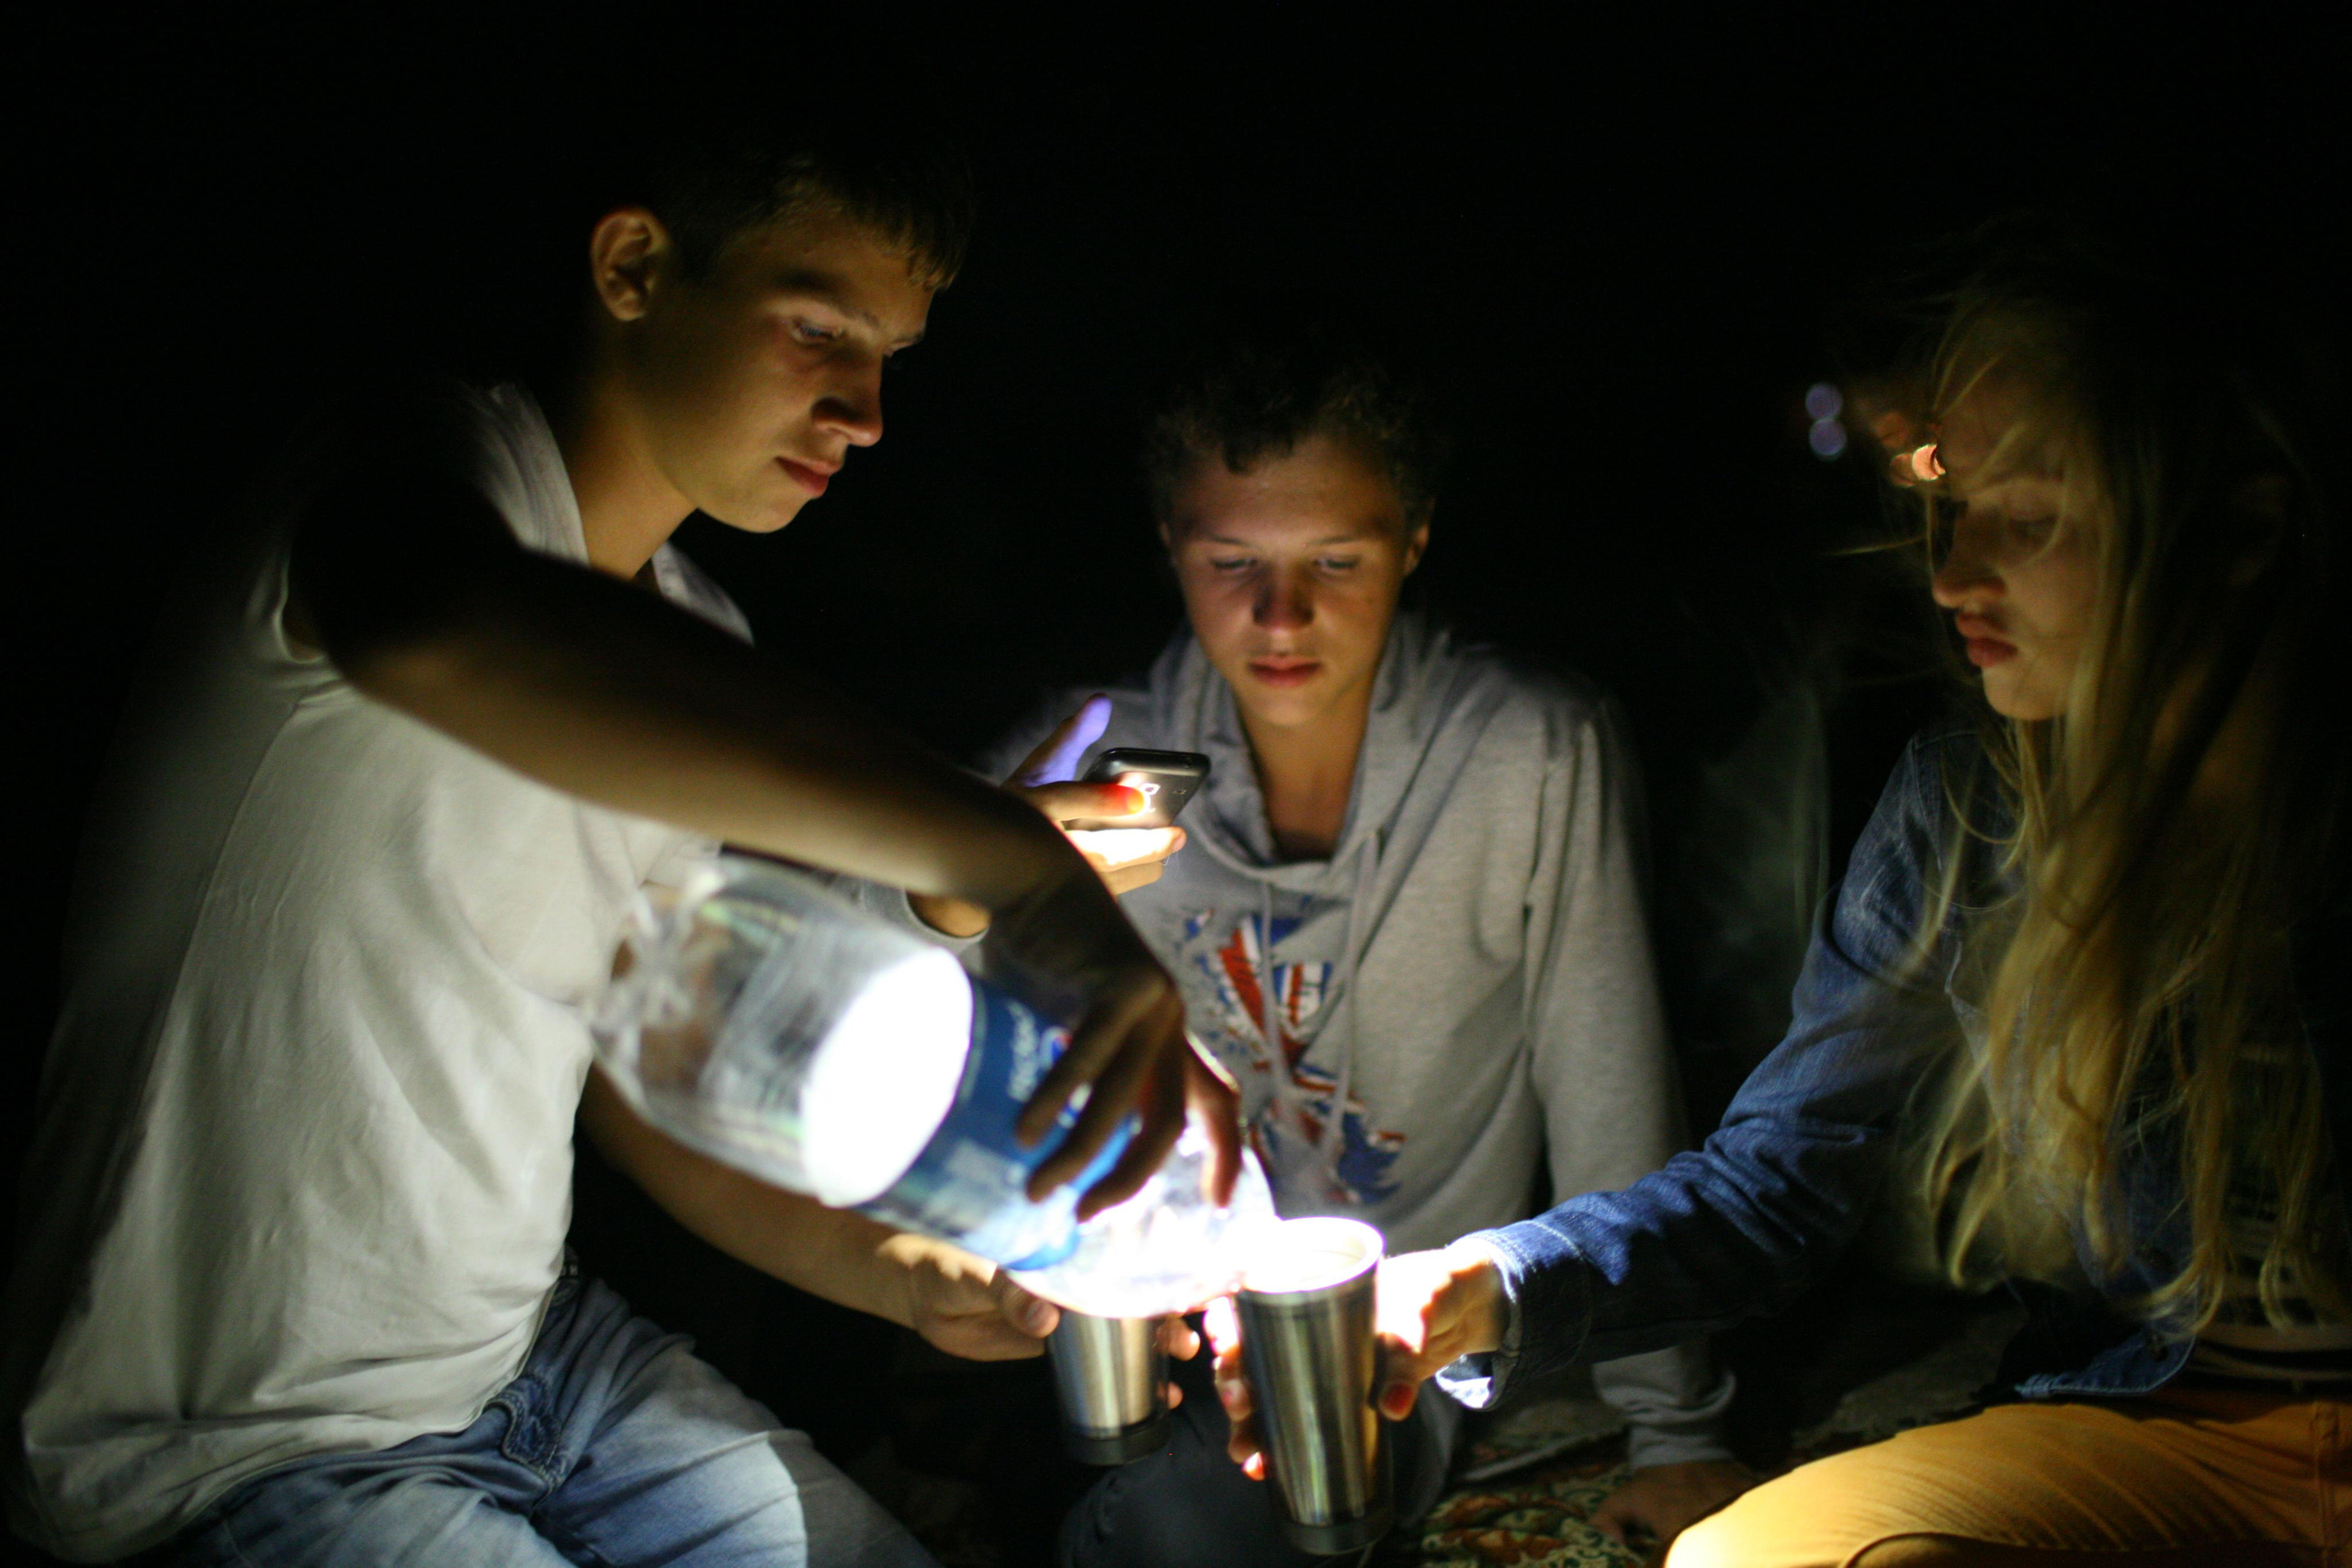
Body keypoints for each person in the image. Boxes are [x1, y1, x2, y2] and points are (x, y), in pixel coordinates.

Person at [2, 99, 1235, 1566]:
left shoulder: (691, 629)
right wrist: (1000, 860)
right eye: (818, 332)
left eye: (889, 360)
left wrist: (899, 1273)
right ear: (636, 266)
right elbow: (440, 625)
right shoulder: (409, 473)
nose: (866, 413)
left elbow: (649, 1073)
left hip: (535, 1365)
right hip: (228, 1443)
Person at [1217, 222, 2352, 1563]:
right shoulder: (1973, 810)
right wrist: (1490, 1287)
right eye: (1951, 505)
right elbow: (1781, 1181)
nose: (1952, 577)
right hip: (2155, 1418)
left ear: (2237, 534)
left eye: (2031, 518)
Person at [976, 319, 1749, 1566]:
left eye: (1336, 560)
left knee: (1237, 1517)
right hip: (1150, 1306)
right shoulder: (1088, 759)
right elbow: (876, 947)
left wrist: (1672, 1429)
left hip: (1401, 1323)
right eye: (1232, 560)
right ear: (1170, 544)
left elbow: (1607, 1077)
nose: (1282, 616)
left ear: (1414, 539)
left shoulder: (1525, 752)